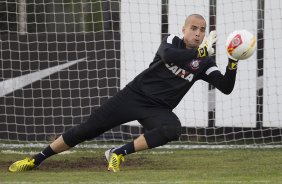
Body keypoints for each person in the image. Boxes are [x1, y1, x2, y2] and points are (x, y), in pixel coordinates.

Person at [8, 14, 238, 173]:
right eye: (194, 28)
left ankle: (117, 153)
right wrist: (198, 52)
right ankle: (35, 159)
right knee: (87, 129)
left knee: (172, 129)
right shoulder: (172, 41)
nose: (198, 33)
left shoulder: (205, 61)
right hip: (133, 96)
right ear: (184, 29)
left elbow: (226, 87)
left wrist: (233, 61)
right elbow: (170, 57)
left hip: (157, 109)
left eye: (202, 30)